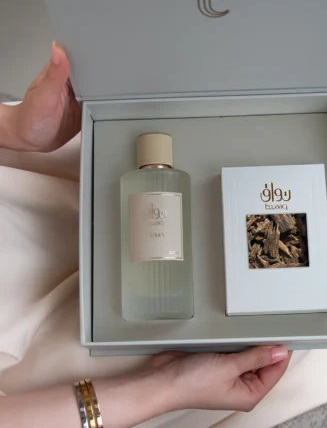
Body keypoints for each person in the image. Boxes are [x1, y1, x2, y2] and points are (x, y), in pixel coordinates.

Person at [0, 43, 291, 428]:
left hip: (25, 173)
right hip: (45, 355)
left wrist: (16, 129)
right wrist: (167, 386)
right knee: (293, 350)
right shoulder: (134, 182)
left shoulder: (168, 179)